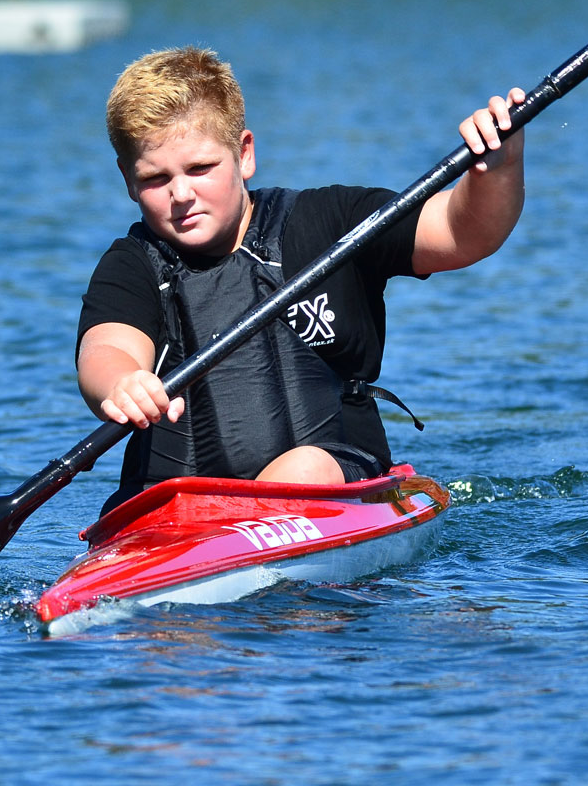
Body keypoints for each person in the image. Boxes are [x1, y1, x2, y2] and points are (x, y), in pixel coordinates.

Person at [77, 45, 525, 515]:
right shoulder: (132, 263)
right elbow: (106, 350)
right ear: (128, 179)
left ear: (244, 154)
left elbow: (462, 231)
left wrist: (497, 166)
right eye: (155, 178)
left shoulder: (328, 222)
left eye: (200, 168)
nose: (181, 194)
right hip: (171, 511)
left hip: (336, 482)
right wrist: (123, 384)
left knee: (304, 467)